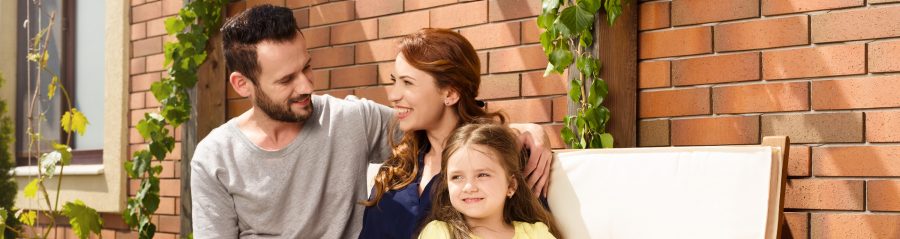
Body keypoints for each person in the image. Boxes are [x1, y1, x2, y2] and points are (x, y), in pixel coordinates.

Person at [190, 5, 553, 239]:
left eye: (307, 67)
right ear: (242, 85)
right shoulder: (215, 158)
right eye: (286, 80)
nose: (307, 86)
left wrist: (524, 131)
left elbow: (457, 129)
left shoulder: (350, 119)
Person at [359, 28, 553, 239]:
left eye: (408, 83)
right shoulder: (396, 169)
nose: (394, 95)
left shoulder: (503, 160)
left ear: (450, 93)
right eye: (393, 81)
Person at [419, 123, 560, 239]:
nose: (469, 187)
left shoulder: (536, 233)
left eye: (482, 175)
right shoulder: (440, 233)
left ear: (511, 185)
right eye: (457, 177)